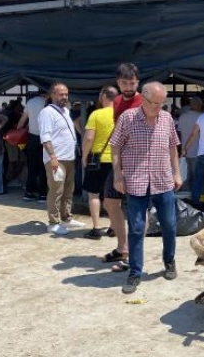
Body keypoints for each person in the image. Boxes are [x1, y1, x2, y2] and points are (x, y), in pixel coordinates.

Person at [110, 81, 182, 294]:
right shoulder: (128, 118)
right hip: (136, 181)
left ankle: (169, 261)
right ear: (144, 99)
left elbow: (172, 147)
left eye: (162, 103)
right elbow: (115, 146)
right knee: (137, 228)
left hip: (163, 180)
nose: (159, 107)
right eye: (155, 103)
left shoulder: (167, 118)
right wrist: (117, 174)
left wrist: (177, 172)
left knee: (169, 225)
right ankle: (134, 272)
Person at [101, 63, 143, 267]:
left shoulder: (144, 102)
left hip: (139, 162)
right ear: (118, 83)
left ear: (138, 82)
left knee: (137, 209)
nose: (128, 86)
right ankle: (122, 248)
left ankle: (134, 256)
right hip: (119, 159)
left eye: (132, 83)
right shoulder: (117, 101)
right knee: (109, 202)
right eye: (124, 83)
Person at [38, 82, 86, 235]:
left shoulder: (65, 110)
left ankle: (66, 217)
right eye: (61, 94)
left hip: (69, 157)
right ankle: (53, 222)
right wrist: (52, 157)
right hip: (57, 159)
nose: (64, 97)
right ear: (53, 94)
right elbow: (45, 137)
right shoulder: (47, 112)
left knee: (68, 190)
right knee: (56, 190)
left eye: (66, 94)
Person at [81, 86, 118, 239]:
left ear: (103, 96)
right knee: (114, 197)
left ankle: (96, 228)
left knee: (94, 194)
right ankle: (114, 227)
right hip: (116, 160)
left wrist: (84, 156)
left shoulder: (96, 114)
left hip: (97, 160)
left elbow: (89, 138)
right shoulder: (121, 114)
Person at [17, 90, 48, 202]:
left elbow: (22, 121)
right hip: (45, 138)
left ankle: (29, 192)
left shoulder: (30, 103)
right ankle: (42, 195)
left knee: (32, 167)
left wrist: (18, 130)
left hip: (32, 138)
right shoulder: (48, 103)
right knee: (43, 168)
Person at [177, 96, 203, 191]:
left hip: (185, 151)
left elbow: (179, 134)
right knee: (197, 177)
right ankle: (196, 198)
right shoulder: (202, 117)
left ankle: (184, 198)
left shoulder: (182, 116)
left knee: (185, 176)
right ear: (198, 105)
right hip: (198, 152)